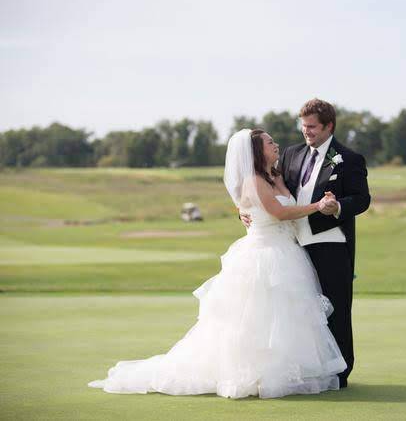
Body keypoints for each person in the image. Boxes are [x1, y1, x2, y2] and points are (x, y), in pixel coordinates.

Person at [88, 128, 346, 399]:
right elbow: (278, 212)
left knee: (285, 317)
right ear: (257, 152)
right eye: (270, 142)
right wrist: (317, 206)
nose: (276, 144)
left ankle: (285, 372)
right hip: (262, 256)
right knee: (255, 317)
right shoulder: (253, 181)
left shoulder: (277, 175)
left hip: (287, 253)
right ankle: (252, 374)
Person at [241, 98, 371, 388]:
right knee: (301, 312)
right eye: (303, 127)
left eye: (312, 127)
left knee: (336, 308)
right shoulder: (291, 154)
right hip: (292, 246)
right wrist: (244, 209)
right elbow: (265, 187)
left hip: (331, 244)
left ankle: (340, 373)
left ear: (329, 126)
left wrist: (337, 206)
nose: (307, 132)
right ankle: (308, 369)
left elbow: (362, 199)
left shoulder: (349, 159)